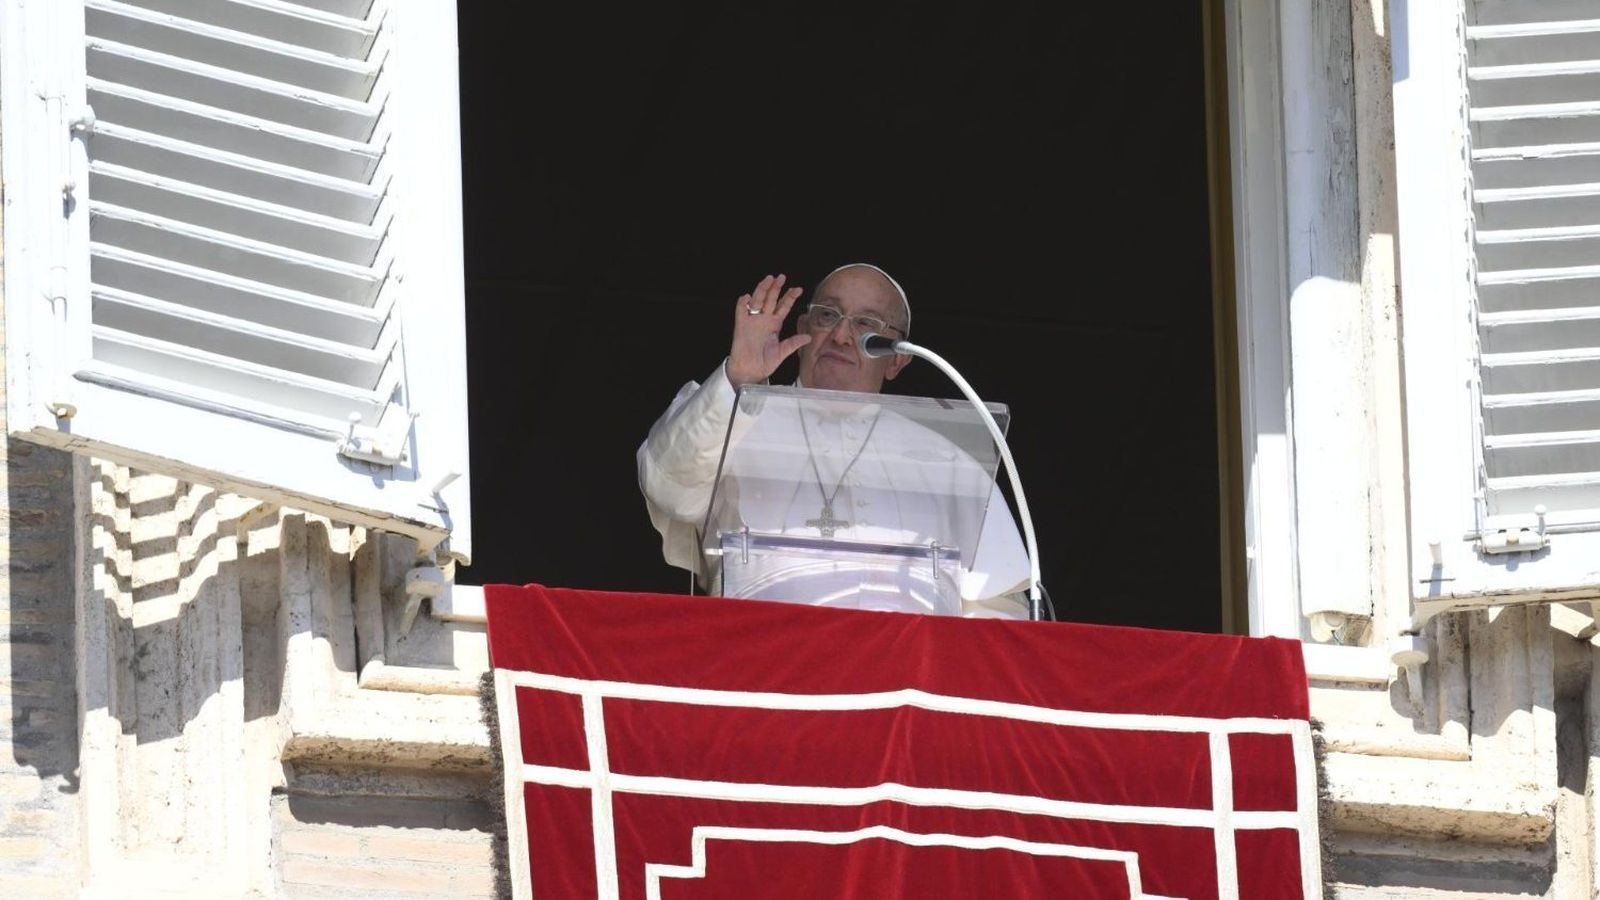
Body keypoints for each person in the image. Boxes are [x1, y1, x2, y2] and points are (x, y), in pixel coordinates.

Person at [637, 264, 1029, 618]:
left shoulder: (948, 461)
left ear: (897, 359)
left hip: (903, 683)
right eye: (828, 315)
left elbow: (996, 607)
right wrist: (739, 379)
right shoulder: (732, 415)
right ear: (804, 329)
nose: (842, 336)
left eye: (866, 323)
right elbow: (668, 486)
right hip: (759, 668)